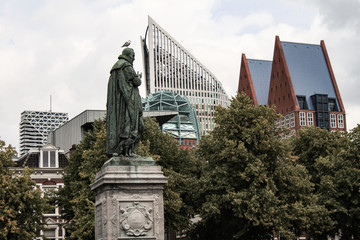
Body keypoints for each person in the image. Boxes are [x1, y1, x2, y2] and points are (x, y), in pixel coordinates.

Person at [106, 48, 144, 157]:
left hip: (120, 105)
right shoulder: (126, 66)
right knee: (135, 128)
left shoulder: (116, 68)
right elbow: (137, 82)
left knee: (136, 128)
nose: (134, 58)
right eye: (133, 55)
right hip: (128, 105)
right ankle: (128, 151)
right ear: (127, 55)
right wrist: (138, 77)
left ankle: (128, 151)